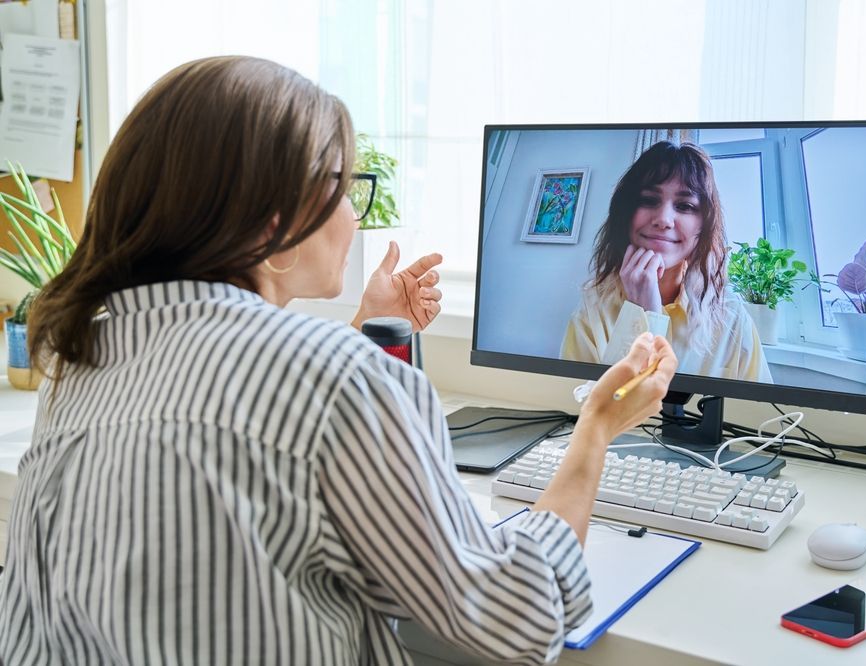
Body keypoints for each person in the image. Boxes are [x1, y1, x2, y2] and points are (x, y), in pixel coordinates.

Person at [0, 56, 677, 665]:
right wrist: (595, 430)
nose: (355, 215)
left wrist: (361, 338)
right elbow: (519, 620)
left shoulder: (79, 353)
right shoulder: (335, 380)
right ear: (274, 223)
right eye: (346, 186)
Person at [561, 141, 772, 383]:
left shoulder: (732, 317)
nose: (663, 220)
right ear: (626, 213)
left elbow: (762, 415)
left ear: (704, 226)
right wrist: (643, 315)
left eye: (685, 205)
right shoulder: (592, 311)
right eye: (649, 200)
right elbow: (589, 414)